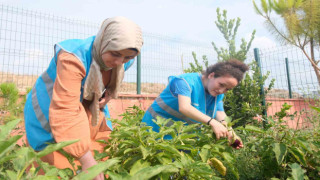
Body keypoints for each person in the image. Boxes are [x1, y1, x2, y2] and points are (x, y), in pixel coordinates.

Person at [24, 16, 143, 179]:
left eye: (128, 58)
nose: (119, 62)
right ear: (104, 41)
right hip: (51, 110)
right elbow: (65, 111)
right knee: (56, 168)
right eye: (115, 54)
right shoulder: (72, 58)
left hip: (84, 112)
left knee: (98, 159)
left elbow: (112, 76)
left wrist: (107, 93)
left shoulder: (123, 59)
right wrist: (87, 161)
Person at [141, 59, 248, 147]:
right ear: (211, 75)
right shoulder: (185, 82)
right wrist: (213, 122)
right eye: (221, 84)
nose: (221, 91)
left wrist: (230, 132)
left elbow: (220, 113)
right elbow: (184, 107)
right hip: (156, 130)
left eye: (227, 89)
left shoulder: (217, 94)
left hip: (183, 138)